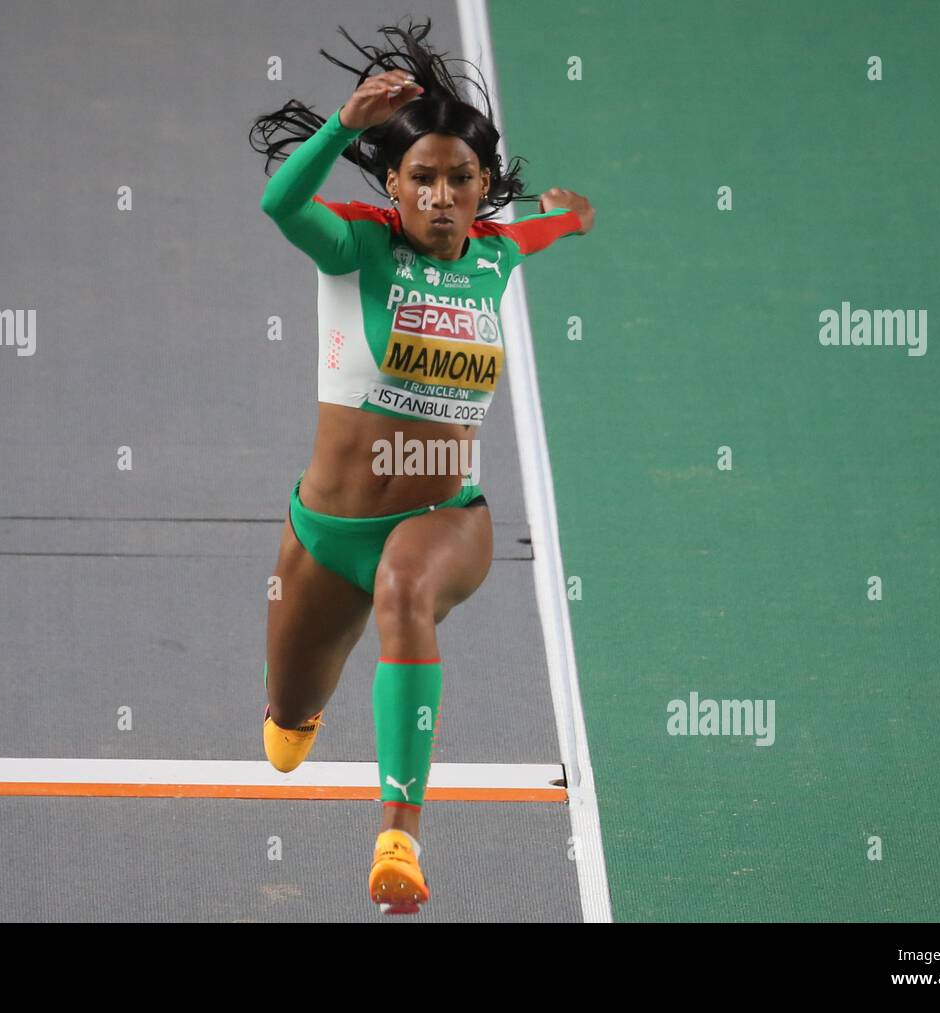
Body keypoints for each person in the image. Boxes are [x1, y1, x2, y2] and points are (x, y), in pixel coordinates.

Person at [249, 17, 594, 914]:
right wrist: (338, 124)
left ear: (483, 189)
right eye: (423, 179)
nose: (442, 196)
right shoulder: (358, 245)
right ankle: (294, 716)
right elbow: (279, 205)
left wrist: (568, 216)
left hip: (448, 519)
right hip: (327, 532)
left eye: (461, 180)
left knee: (405, 589)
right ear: (394, 183)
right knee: (285, 725)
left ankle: (398, 836)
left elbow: (540, 231)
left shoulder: (494, 256)